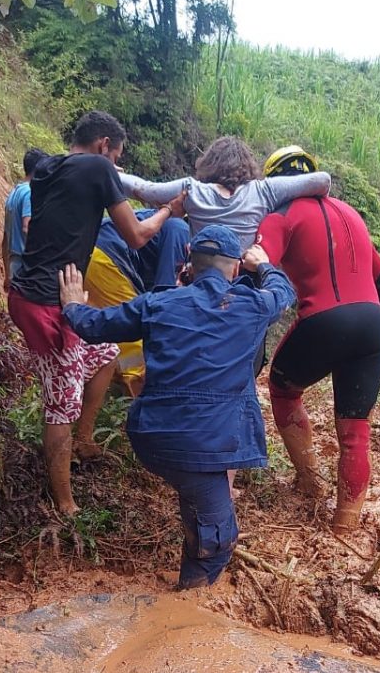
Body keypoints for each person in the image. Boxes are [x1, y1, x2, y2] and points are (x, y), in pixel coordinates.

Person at [58, 225, 296, 588]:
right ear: (234, 269)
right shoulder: (252, 306)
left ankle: (195, 545)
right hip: (207, 443)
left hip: (152, 437)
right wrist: (263, 264)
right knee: (216, 544)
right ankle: (188, 611)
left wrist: (73, 304)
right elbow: (283, 291)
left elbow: (93, 326)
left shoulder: (156, 303)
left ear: (190, 265)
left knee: (198, 495)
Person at [8, 111, 186, 516]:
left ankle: (84, 439)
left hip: (35, 292)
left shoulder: (47, 168)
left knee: (105, 353)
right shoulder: (96, 168)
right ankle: (65, 504)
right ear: (105, 145)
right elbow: (137, 236)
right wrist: (169, 210)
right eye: (115, 155)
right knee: (61, 400)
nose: (114, 164)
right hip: (46, 302)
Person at [256, 146, 380, 532]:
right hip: (370, 325)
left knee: (282, 390)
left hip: (321, 320)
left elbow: (258, 267)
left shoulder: (280, 214)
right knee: (355, 431)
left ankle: (309, 481)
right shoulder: (351, 212)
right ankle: (346, 525)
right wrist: (371, 328)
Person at [117, 137, 331, 250]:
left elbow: (144, 190)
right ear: (248, 165)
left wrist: (104, 169)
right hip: (242, 286)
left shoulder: (192, 189)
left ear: (210, 163)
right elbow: (323, 180)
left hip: (198, 279)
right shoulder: (264, 191)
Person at [84, 210, 190, 394]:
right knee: (133, 337)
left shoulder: (161, 222)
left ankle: (109, 387)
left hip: (89, 253)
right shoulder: (179, 229)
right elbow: (164, 292)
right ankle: (139, 399)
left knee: (108, 333)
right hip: (105, 258)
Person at [2, 147, 48, 290]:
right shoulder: (29, 192)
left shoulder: (15, 192)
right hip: (25, 266)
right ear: (39, 168)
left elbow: (5, 239)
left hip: (14, 263)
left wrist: (7, 273)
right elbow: (27, 227)